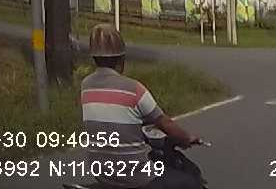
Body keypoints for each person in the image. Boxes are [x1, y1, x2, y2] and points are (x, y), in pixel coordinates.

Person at [81, 24, 202, 189]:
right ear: (121, 59)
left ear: (93, 57)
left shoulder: (86, 86)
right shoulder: (134, 89)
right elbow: (164, 123)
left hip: (102, 174)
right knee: (190, 183)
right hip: (136, 177)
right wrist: (187, 138)